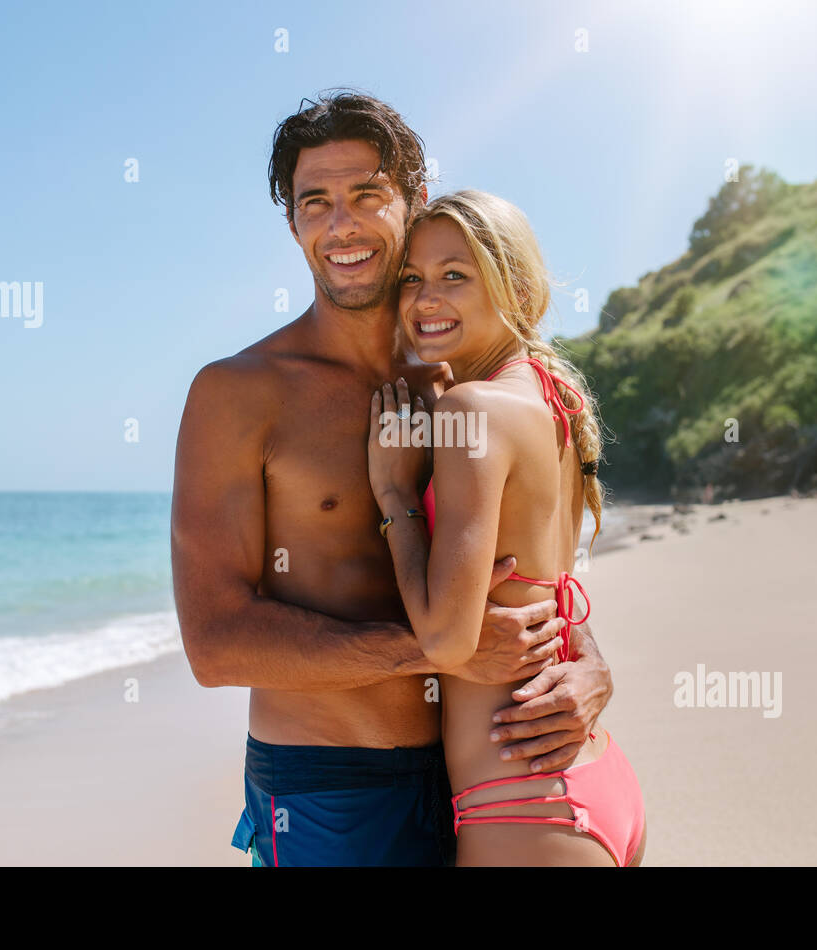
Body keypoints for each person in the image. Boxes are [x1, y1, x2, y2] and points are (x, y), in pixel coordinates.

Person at [170, 91, 615, 866]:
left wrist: (590, 664)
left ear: (412, 202)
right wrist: (435, 652)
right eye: (316, 202)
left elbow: (523, 557)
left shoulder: (462, 380)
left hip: (484, 770)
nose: (341, 224)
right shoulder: (238, 394)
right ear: (294, 225)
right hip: (332, 787)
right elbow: (216, 645)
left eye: (367, 194)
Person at [366, 190, 646, 866]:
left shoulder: (473, 409)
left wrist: (394, 493)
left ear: (515, 286)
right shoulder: (555, 396)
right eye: (413, 278)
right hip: (594, 779)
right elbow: (548, 579)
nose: (425, 298)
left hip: (521, 807)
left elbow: (444, 636)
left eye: (454, 276)